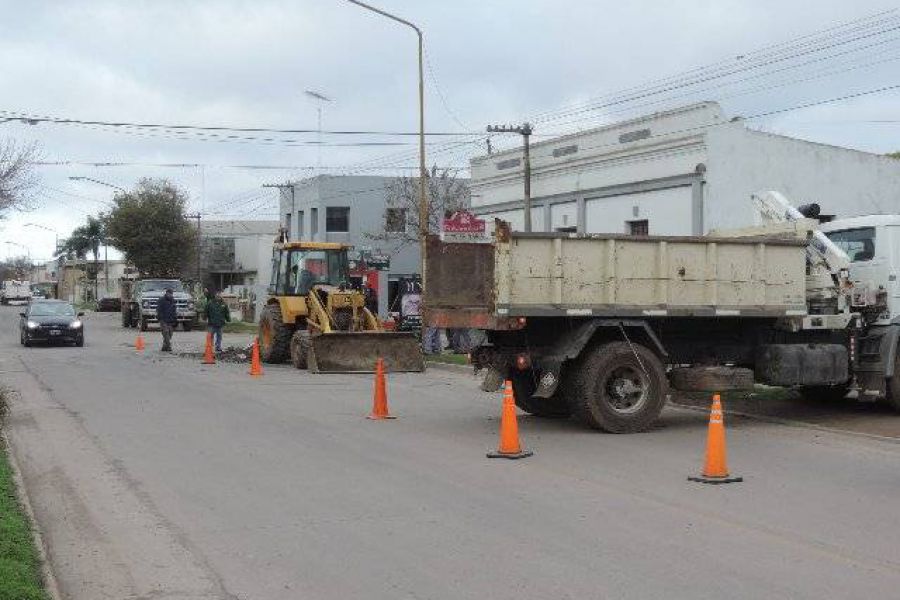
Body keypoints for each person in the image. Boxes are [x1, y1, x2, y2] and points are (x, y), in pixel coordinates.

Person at [156, 288, 178, 352]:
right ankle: (169, 346)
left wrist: (175, 318)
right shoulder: (161, 300)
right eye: (169, 294)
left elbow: (174, 310)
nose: (171, 295)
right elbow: (158, 310)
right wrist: (161, 318)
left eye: (171, 294)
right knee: (165, 333)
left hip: (170, 320)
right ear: (166, 293)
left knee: (170, 334)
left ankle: (164, 347)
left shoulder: (173, 300)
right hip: (163, 320)